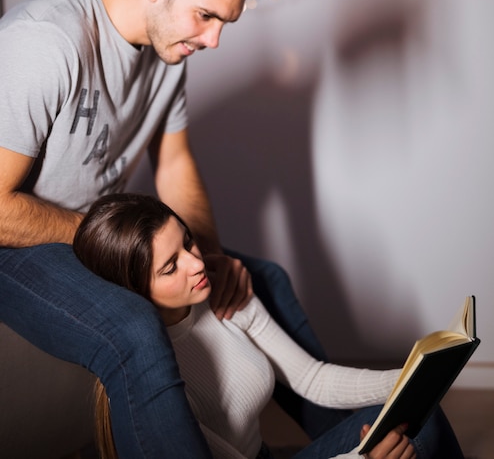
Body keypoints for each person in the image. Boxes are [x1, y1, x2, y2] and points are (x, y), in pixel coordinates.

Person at [0, 0, 354, 458]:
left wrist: (207, 254)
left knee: (265, 280)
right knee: (135, 330)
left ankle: (359, 439)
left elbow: (176, 166)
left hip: (99, 231)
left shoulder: (167, 50)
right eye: (206, 17)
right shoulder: (45, 42)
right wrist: (109, 239)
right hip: (16, 242)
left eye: (224, 24)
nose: (214, 41)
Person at [73, 192, 465, 459]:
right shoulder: (152, 380)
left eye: (187, 243)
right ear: (135, 292)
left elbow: (312, 379)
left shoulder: (220, 293)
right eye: (171, 267)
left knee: (419, 416)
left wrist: (413, 378)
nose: (197, 264)